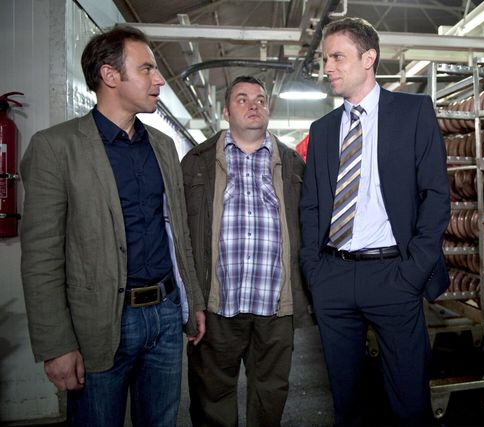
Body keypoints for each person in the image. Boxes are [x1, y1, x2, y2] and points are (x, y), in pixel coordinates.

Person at [20, 25, 206, 427]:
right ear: (110, 75)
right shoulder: (56, 148)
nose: (158, 79)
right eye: (147, 69)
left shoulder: (162, 146)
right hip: (101, 322)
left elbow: (178, 235)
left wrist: (192, 302)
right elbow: (41, 256)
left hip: (165, 314)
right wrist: (56, 344)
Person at [299, 17, 451, 426]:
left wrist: (413, 271)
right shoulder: (323, 130)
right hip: (333, 276)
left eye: (337, 57)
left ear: (368, 58)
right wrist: (315, 271)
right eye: (325, 58)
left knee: (408, 400)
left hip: (393, 275)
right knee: (347, 402)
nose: (327, 67)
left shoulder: (413, 112)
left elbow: (436, 195)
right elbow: (311, 206)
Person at [181, 76, 313, 427]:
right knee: (212, 398)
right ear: (226, 112)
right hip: (218, 304)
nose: (254, 105)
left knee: (270, 396)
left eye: (260, 99)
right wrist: (192, 299)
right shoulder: (196, 162)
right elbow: (181, 234)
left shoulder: (293, 164)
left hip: (275, 305)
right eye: (242, 99)